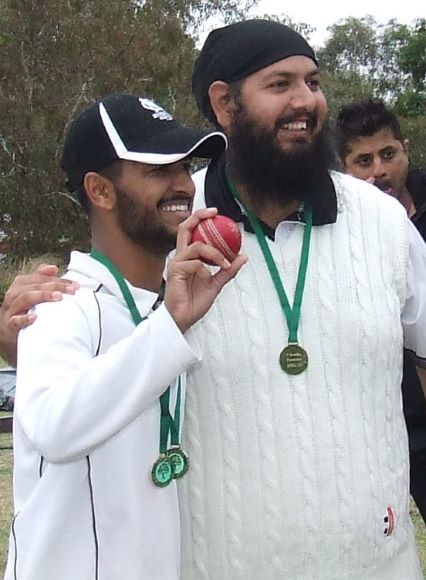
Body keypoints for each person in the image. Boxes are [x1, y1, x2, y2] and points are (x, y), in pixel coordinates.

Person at [2, 20, 426, 580]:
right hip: (216, 563)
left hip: (377, 559)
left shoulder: (382, 220)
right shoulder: (173, 221)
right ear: (224, 103)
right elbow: (102, 330)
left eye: (314, 81)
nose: (307, 100)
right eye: (280, 84)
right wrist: (24, 336)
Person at [4, 93, 245, 580]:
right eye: (157, 170)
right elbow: (54, 427)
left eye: (184, 167)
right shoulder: (60, 306)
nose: (182, 185)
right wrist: (169, 327)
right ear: (100, 190)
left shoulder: (166, 304)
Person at [335, 97, 426, 578]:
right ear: (344, 166)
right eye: (363, 160)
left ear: (406, 150)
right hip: (373, 435)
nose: (379, 170)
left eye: (388, 154)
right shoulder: (337, 242)